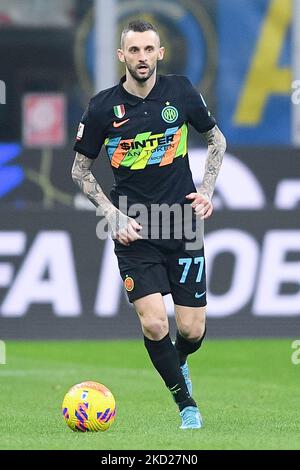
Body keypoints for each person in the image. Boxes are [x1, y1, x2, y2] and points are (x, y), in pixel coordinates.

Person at [72, 20, 226, 429]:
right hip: (134, 230)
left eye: (148, 50)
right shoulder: (102, 107)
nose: (141, 58)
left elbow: (217, 140)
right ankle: (187, 405)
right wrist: (111, 213)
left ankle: (179, 363)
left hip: (182, 224)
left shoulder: (181, 92)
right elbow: (80, 170)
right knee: (155, 320)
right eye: (133, 50)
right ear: (121, 56)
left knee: (192, 329)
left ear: (161, 53)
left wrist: (207, 189)